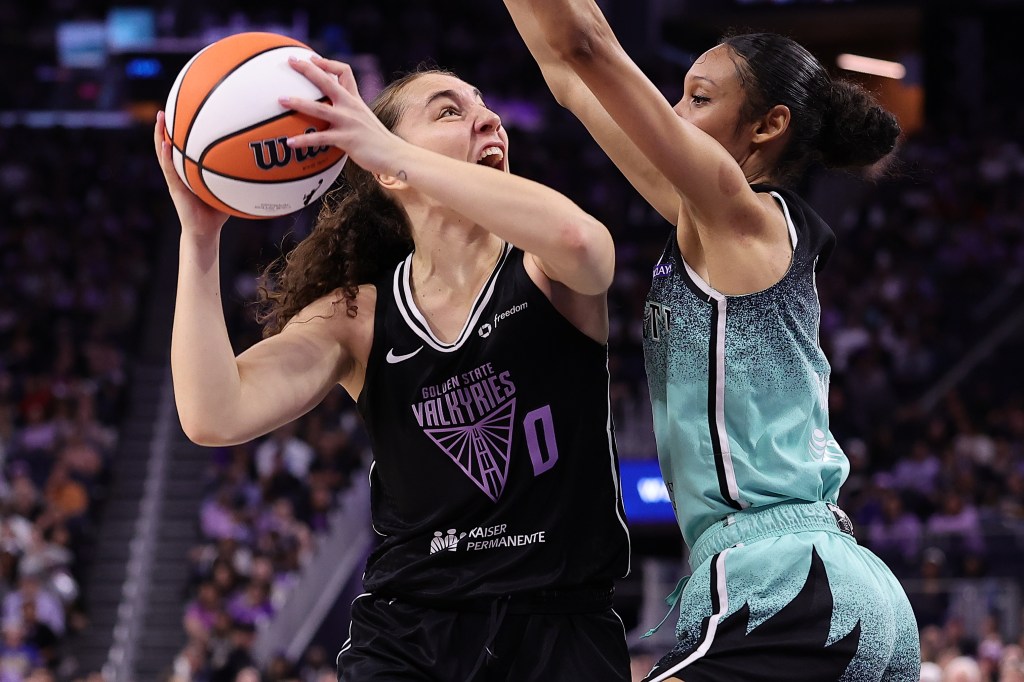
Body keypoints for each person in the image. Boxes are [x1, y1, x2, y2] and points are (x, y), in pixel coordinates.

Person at [154, 54, 632, 680]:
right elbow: (213, 414)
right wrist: (199, 240)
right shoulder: (358, 314)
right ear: (387, 170)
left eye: (485, 106)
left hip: (560, 624)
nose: (488, 119)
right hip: (409, 632)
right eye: (450, 111)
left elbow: (583, 246)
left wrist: (388, 147)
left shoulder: (541, 268)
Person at [503, 1, 921, 680]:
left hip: (788, 586)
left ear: (768, 126)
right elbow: (567, 73)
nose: (673, 112)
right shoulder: (708, 222)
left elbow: (589, 47)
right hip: (811, 586)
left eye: (697, 98)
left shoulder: (742, 218)